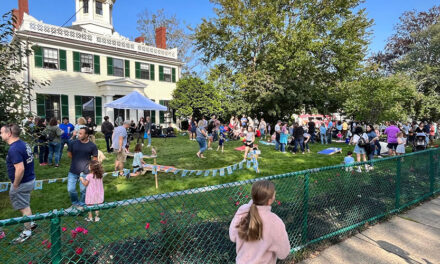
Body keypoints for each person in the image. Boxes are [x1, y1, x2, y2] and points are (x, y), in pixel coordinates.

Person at [229, 180, 290, 263]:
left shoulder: (243, 212)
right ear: (270, 200)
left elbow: (233, 237)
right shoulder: (275, 222)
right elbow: (283, 253)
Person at [1, 124, 37, 243]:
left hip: (22, 182)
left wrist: (15, 184)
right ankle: (30, 223)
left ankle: (27, 232)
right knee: (25, 204)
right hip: (29, 179)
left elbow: (20, 168)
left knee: (23, 207)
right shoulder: (23, 143)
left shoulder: (14, 149)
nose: (0, 135)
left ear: (9, 134)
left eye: (2, 132)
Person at [67, 127, 98, 209]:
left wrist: (92, 169)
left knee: (83, 190)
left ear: (86, 135)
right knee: (70, 189)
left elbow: (95, 159)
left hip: (85, 172)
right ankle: (75, 203)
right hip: (73, 170)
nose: (78, 135)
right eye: (78, 133)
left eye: (80, 133)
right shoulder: (73, 143)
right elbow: (69, 154)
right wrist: (77, 160)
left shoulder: (92, 146)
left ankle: (82, 204)